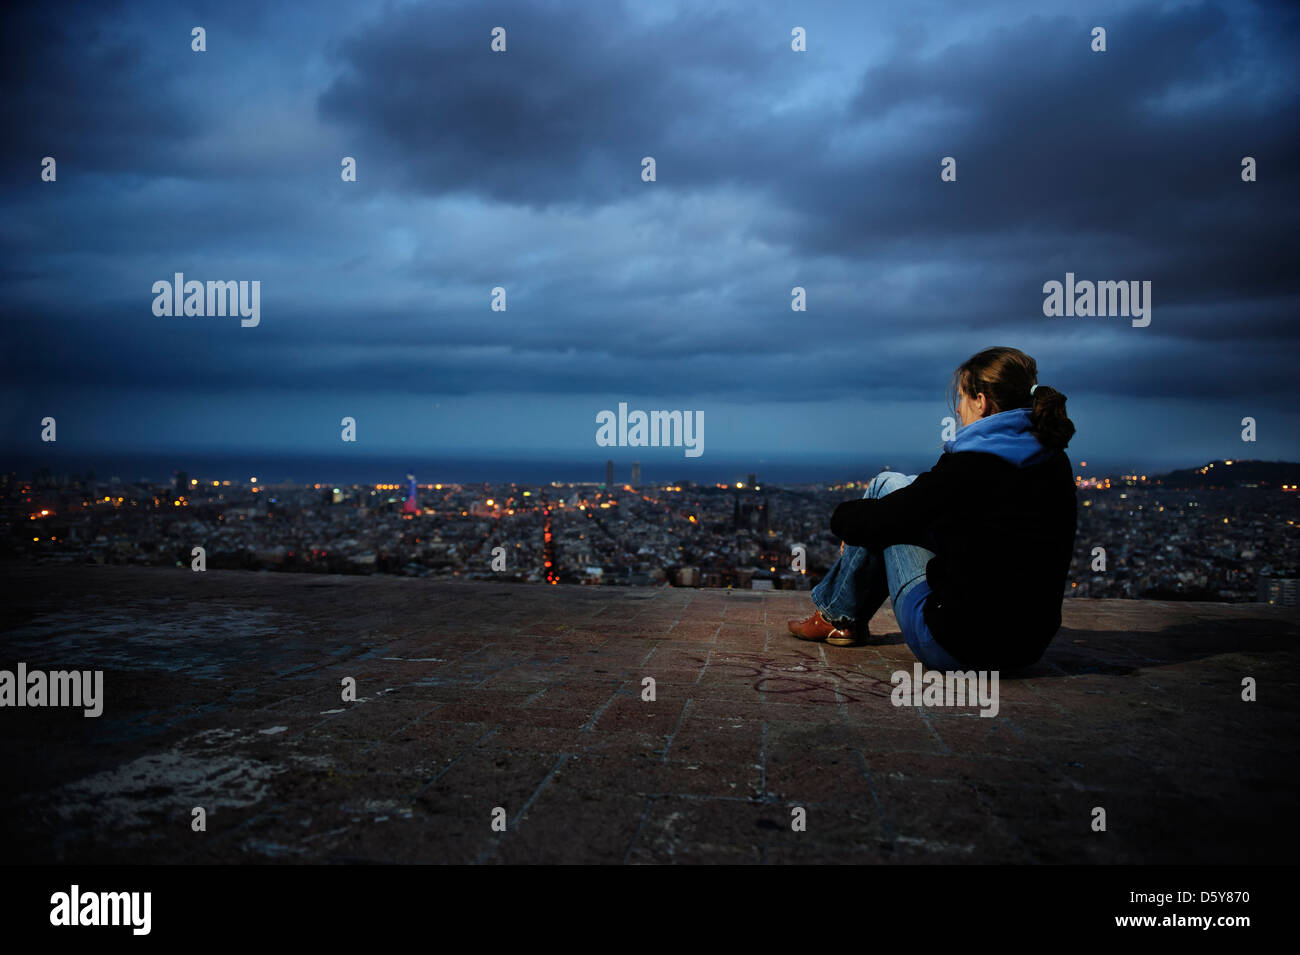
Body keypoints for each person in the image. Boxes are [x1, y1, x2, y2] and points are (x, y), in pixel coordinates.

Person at [788, 346, 1078, 671]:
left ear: (981, 402)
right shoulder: (1053, 459)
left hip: (954, 646)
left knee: (885, 492)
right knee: (894, 494)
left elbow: (887, 520)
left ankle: (836, 616)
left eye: (962, 397)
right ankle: (837, 617)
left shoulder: (970, 465)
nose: (957, 408)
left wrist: (843, 520)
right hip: (1025, 650)